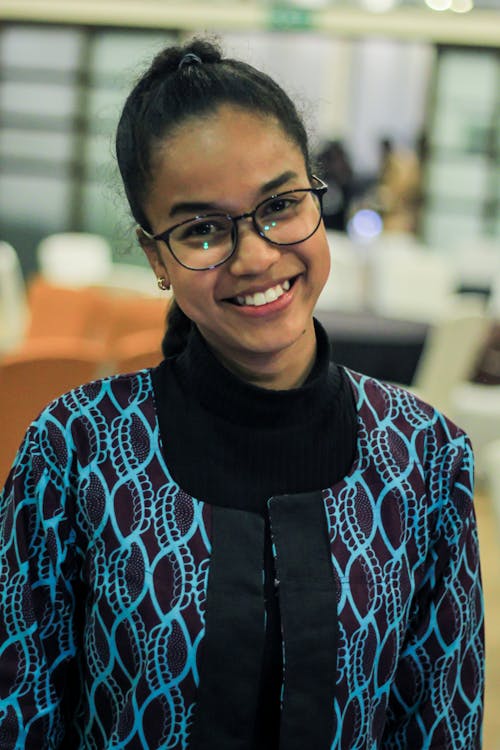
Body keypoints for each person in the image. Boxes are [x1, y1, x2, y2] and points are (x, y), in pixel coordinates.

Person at [0, 38, 484, 749]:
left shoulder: (424, 458)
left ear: (318, 195)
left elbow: (440, 725)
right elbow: (19, 713)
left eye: (280, 205)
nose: (256, 255)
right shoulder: (76, 449)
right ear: (156, 254)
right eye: (201, 229)